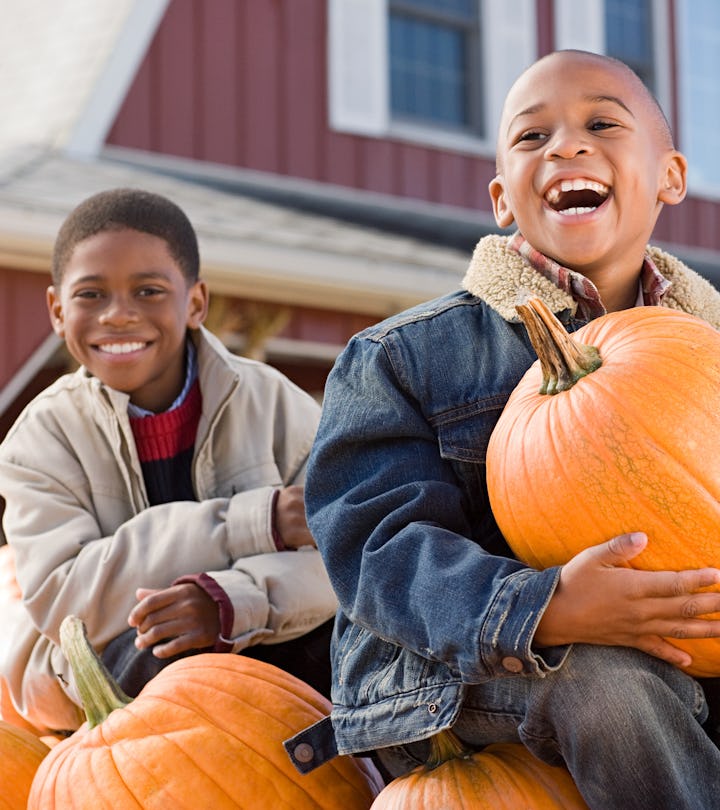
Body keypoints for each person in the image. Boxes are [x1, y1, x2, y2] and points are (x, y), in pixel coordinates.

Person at [284, 50, 720, 808]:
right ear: (501, 199)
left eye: (601, 124)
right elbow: (376, 548)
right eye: (531, 137)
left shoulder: (706, 350)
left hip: (687, 647)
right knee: (612, 688)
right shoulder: (404, 358)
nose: (566, 146)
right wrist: (542, 606)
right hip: (455, 677)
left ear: (670, 177)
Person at [0, 188, 336, 736]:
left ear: (195, 302)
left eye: (149, 290)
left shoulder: (273, 404)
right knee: (156, 650)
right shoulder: (37, 441)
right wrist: (256, 522)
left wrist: (228, 603)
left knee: (365, 639)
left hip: (266, 636)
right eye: (91, 294)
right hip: (104, 671)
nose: (119, 315)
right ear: (58, 311)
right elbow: (65, 596)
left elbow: (349, 553)